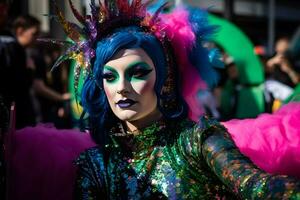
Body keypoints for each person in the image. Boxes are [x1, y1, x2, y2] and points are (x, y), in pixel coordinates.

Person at [4, 1, 300, 200]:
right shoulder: (95, 165)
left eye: (137, 73)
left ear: (164, 79)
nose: (121, 88)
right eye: (110, 77)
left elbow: (256, 186)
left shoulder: (198, 140)